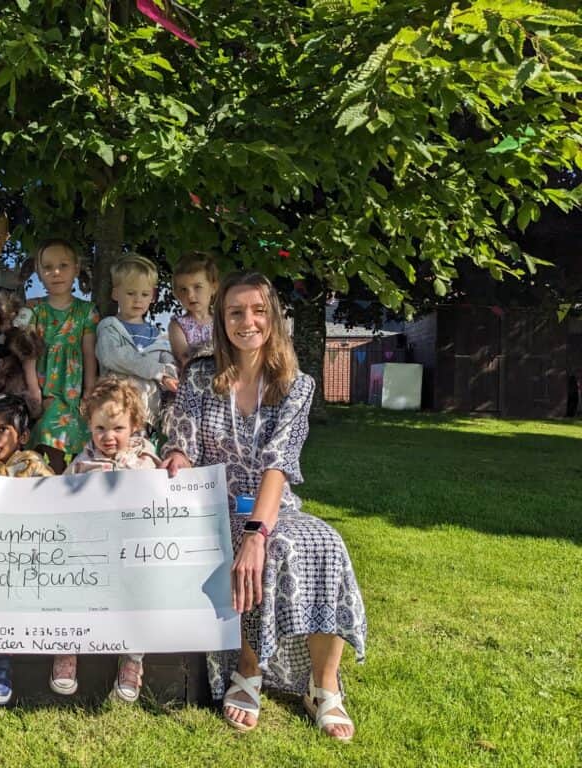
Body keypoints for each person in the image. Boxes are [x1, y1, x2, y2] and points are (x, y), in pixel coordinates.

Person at [161, 271, 366, 742]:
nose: (246, 321)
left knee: (324, 542)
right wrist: (177, 455)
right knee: (252, 549)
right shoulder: (198, 373)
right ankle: (248, 670)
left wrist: (258, 532)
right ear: (221, 319)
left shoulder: (296, 384)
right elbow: (185, 440)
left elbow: (280, 462)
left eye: (257, 311)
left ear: (272, 318)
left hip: (273, 506)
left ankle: (324, 685)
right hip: (212, 505)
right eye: (235, 312)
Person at [51, 378, 160, 701]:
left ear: (135, 425)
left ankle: (131, 661)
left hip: (131, 557)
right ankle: (66, 651)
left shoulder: (147, 465)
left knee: (141, 597)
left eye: (118, 428)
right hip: (88, 554)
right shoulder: (81, 465)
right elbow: (58, 503)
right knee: (70, 590)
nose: (108, 437)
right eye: (100, 429)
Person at [0, 393, 55, 705]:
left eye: (3, 429)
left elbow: (56, 501)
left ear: (22, 436)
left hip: (32, 554)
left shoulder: (33, 466)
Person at [27, 238, 100, 473]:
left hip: (75, 391)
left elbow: (89, 353)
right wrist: (33, 391)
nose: (55, 273)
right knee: (47, 441)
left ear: (76, 269)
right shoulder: (34, 310)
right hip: (45, 387)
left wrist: (89, 391)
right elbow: (28, 353)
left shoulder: (86, 311)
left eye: (63, 266)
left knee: (80, 442)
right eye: (47, 267)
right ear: (39, 273)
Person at [95, 254, 178, 432]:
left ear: (153, 296)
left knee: (142, 457)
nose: (138, 299)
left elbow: (170, 365)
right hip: (114, 409)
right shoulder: (109, 327)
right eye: (131, 293)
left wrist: (170, 375)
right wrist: (158, 372)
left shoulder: (157, 335)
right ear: (116, 293)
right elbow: (115, 357)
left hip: (146, 414)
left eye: (144, 294)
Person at [168, 252, 218, 369]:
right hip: (193, 381)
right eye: (183, 289)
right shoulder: (178, 325)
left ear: (213, 288)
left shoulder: (222, 321)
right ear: (176, 294)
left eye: (197, 287)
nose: (190, 295)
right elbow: (184, 358)